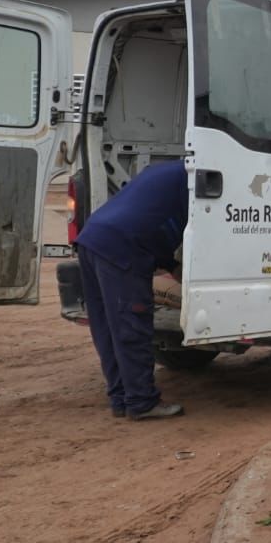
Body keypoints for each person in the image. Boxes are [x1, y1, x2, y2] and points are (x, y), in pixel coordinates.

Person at [75, 159, 188, 421]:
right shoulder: (197, 179)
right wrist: (175, 266)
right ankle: (142, 401)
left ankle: (120, 398)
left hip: (91, 238)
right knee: (131, 324)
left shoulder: (165, 170)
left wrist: (170, 265)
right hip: (121, 246)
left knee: (107, 327)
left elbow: (151, 220)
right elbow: (194, 227)